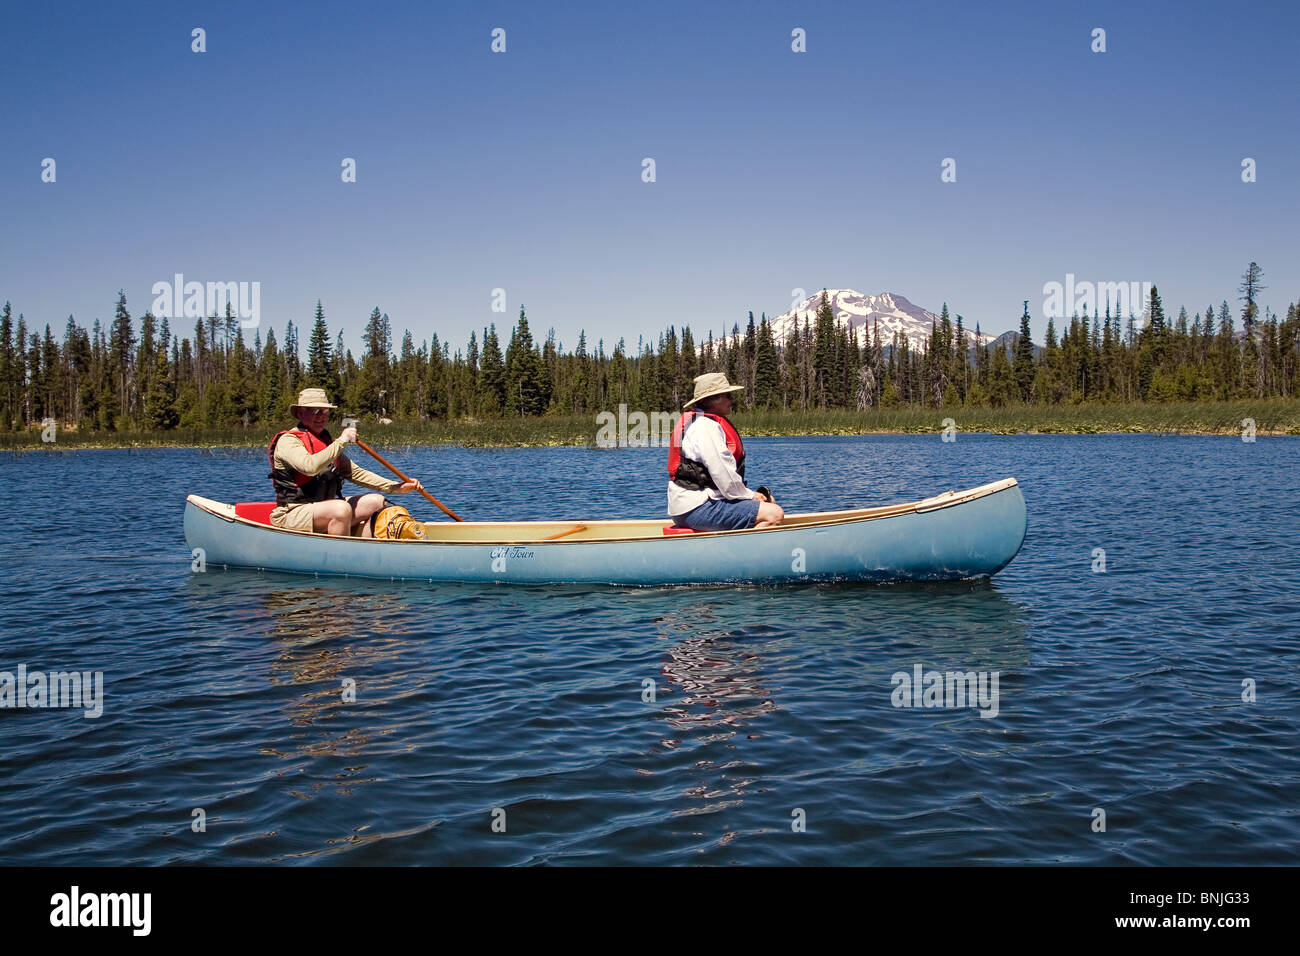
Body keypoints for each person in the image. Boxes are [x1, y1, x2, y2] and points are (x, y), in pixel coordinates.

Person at [268, 388, 424, 536]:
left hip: (324, 509)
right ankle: (341, 557)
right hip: (292, 513)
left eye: (325, 411)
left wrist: (395, 487)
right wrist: (342, 440)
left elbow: (356, 473)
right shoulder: (288, 441)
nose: (321, 416)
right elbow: (310, 467)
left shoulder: (326, 443)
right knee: (340, 509)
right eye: (315, 411)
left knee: (376, 502)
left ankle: (364, 548)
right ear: (300, 413)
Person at [667, 373, 784, 531]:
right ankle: (743, 554)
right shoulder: (705, 426)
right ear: (712, 399)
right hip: (696, 508)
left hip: (691, 506)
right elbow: (723, 474)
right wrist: (751, 495)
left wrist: (752, 496)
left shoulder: (699, 422)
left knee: (768, 503)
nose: (732, 400)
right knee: (774, 514)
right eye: (728, 396)